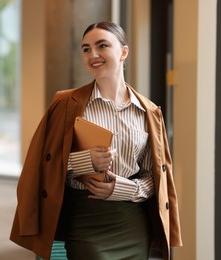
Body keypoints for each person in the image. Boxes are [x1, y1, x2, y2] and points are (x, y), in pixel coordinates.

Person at [10, 21, 182, 259]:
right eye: (86, 49)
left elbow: (154, 177)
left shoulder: (149, 112)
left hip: (132, 223)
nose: (93, 55)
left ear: (123, 52)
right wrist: (85, 160)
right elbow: (41, 166)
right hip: (85, 220)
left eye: (102, 46)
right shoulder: (65, 104)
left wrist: (121, 189)